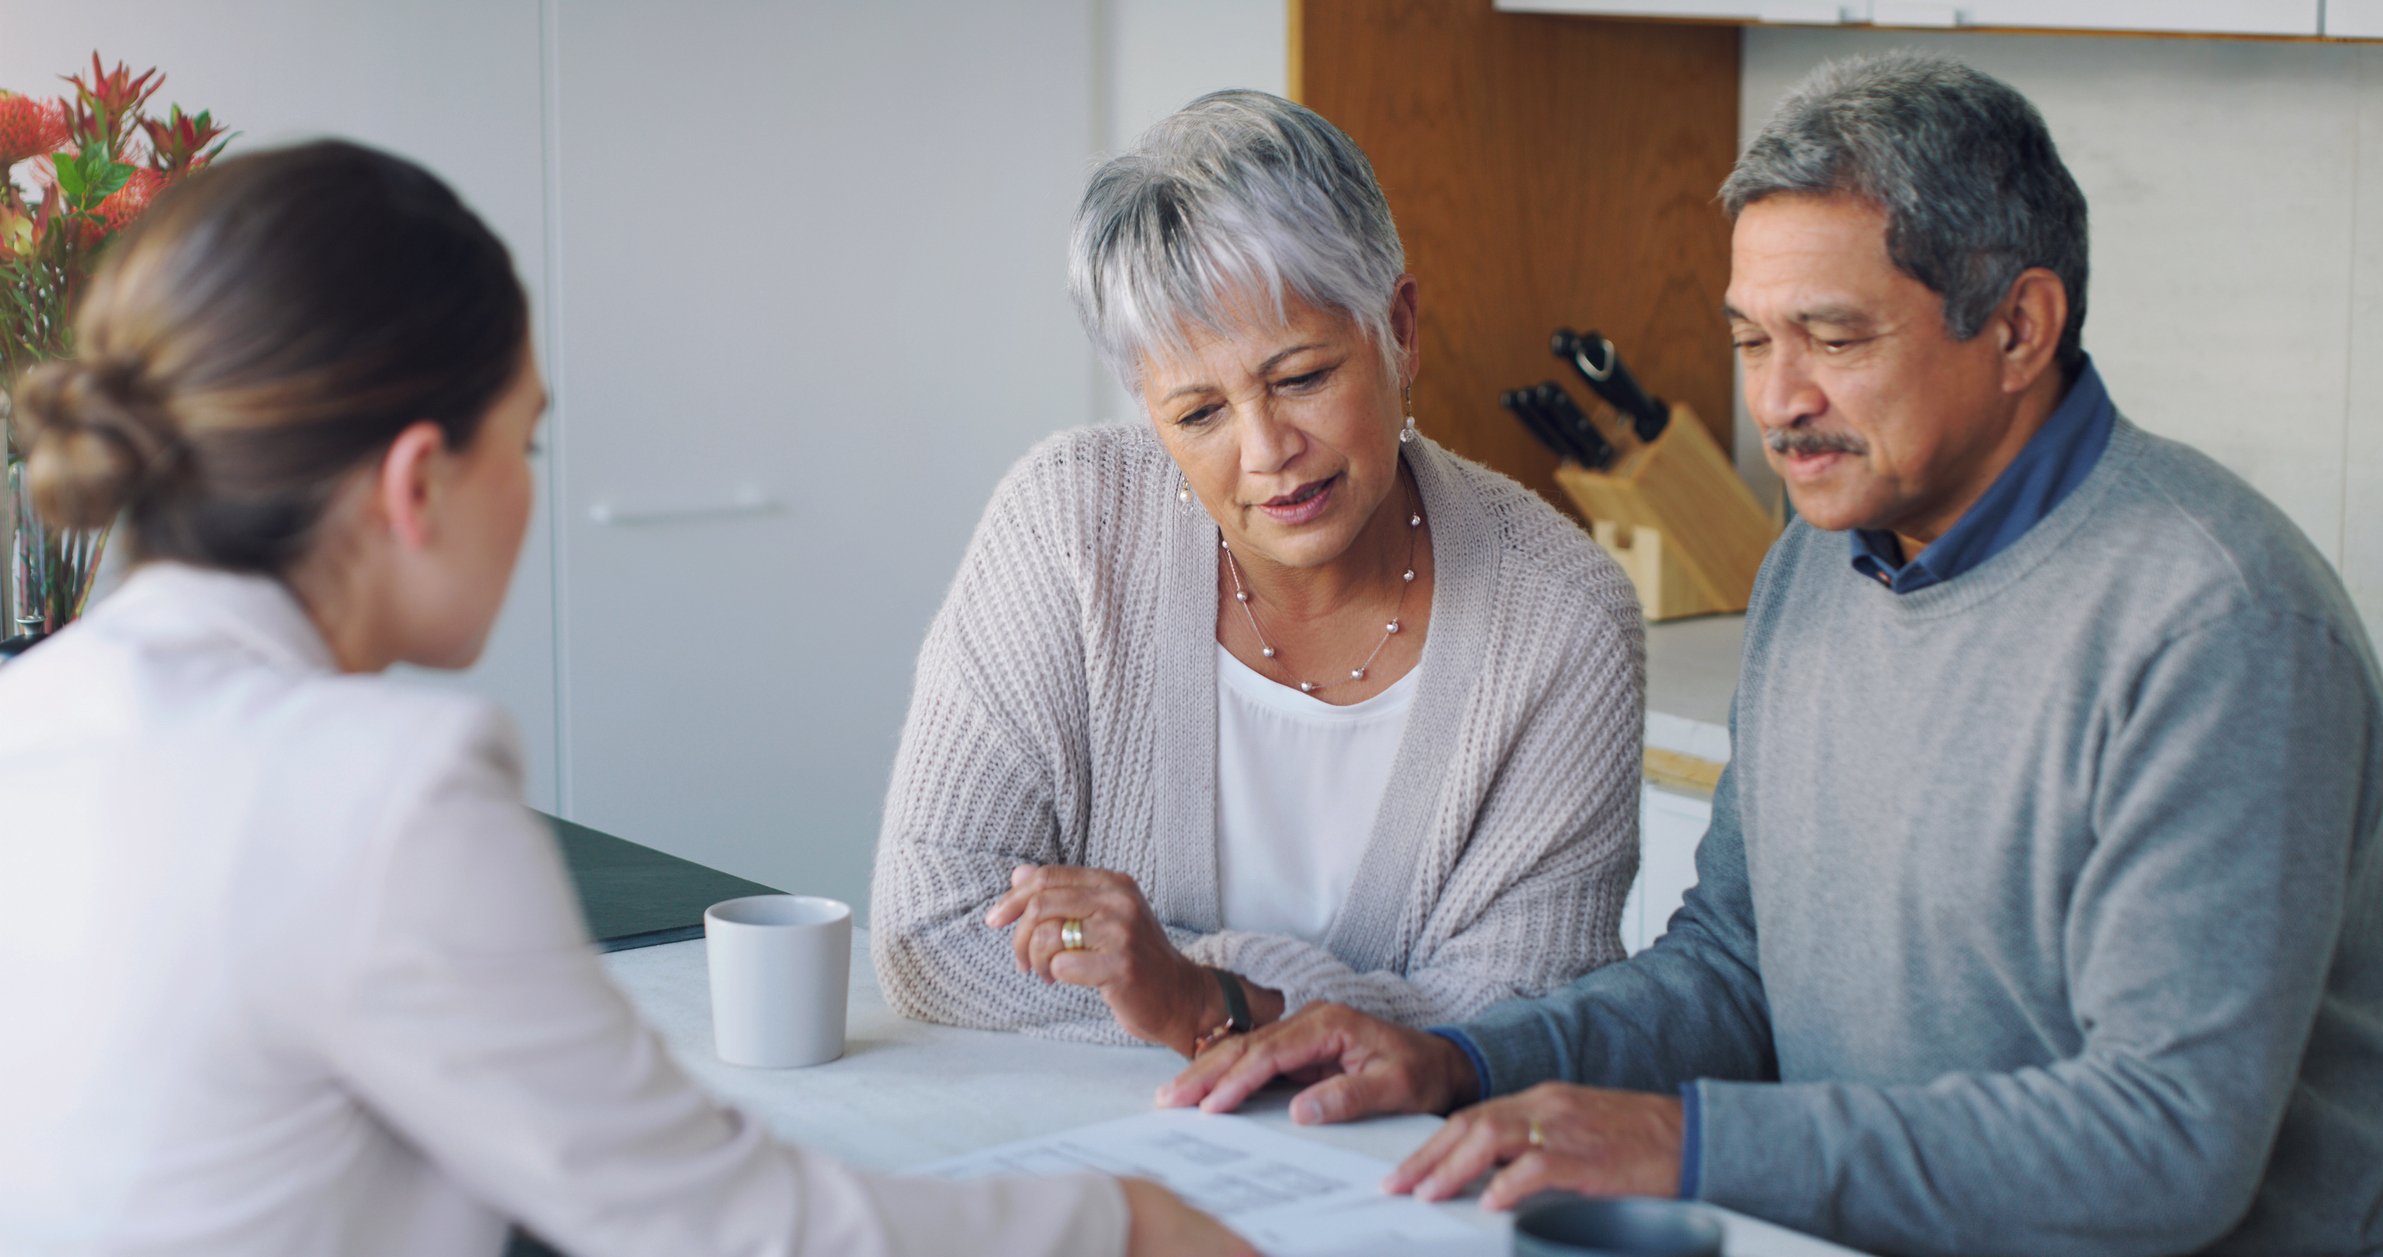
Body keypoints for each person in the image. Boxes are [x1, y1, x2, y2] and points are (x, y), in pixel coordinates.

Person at [1159, 52, 2383, 1257]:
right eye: (1751, 340)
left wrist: (1689, 1147)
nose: (1777, 400)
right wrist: (1466, 1060)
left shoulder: (2221, 625)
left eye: (1833, 339)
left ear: (2018, 327)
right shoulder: (1818, 559)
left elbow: (2166, 1146)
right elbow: (1737, 967)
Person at [0, 140, 1244, 1257]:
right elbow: (722, 1231)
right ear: (417, 480)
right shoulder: (383, 790)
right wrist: (1118, 1226)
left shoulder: (35, 719)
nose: (532, 493)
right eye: (526, 445)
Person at [870, 89, 1644, 1055]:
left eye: (1301, 378)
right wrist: (1345, 1007)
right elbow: (932, 934)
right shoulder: (1069, 527)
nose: (1267, 449)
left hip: (1394, 1177)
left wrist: (1207, 998)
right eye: (1199, 413)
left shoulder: (1562, 618)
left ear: (1399, 331)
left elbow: (1522, 1019)